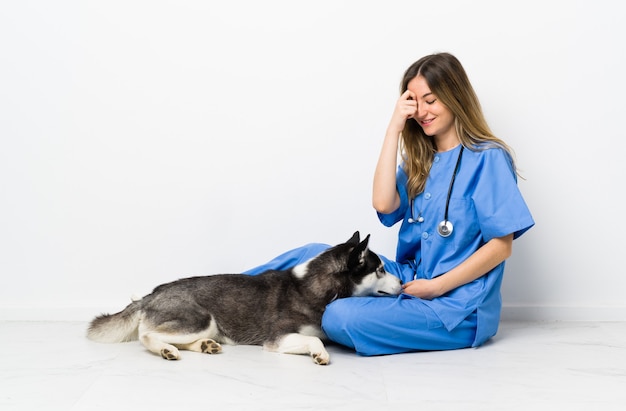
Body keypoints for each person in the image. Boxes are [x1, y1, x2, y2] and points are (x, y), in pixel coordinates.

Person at [244, 52, 534, 356]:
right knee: (311, 253)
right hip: (409, 279)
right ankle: (222, 298)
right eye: (415, 101)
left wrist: (436, 287)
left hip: (455, 306)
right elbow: (383, 204)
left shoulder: (488, 158)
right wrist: (394, 128)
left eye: (431, 100)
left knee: (340, 316)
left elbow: (502, 246)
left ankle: (319, 320)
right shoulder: (421, 160)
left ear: (455, 97)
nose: (422, 111)